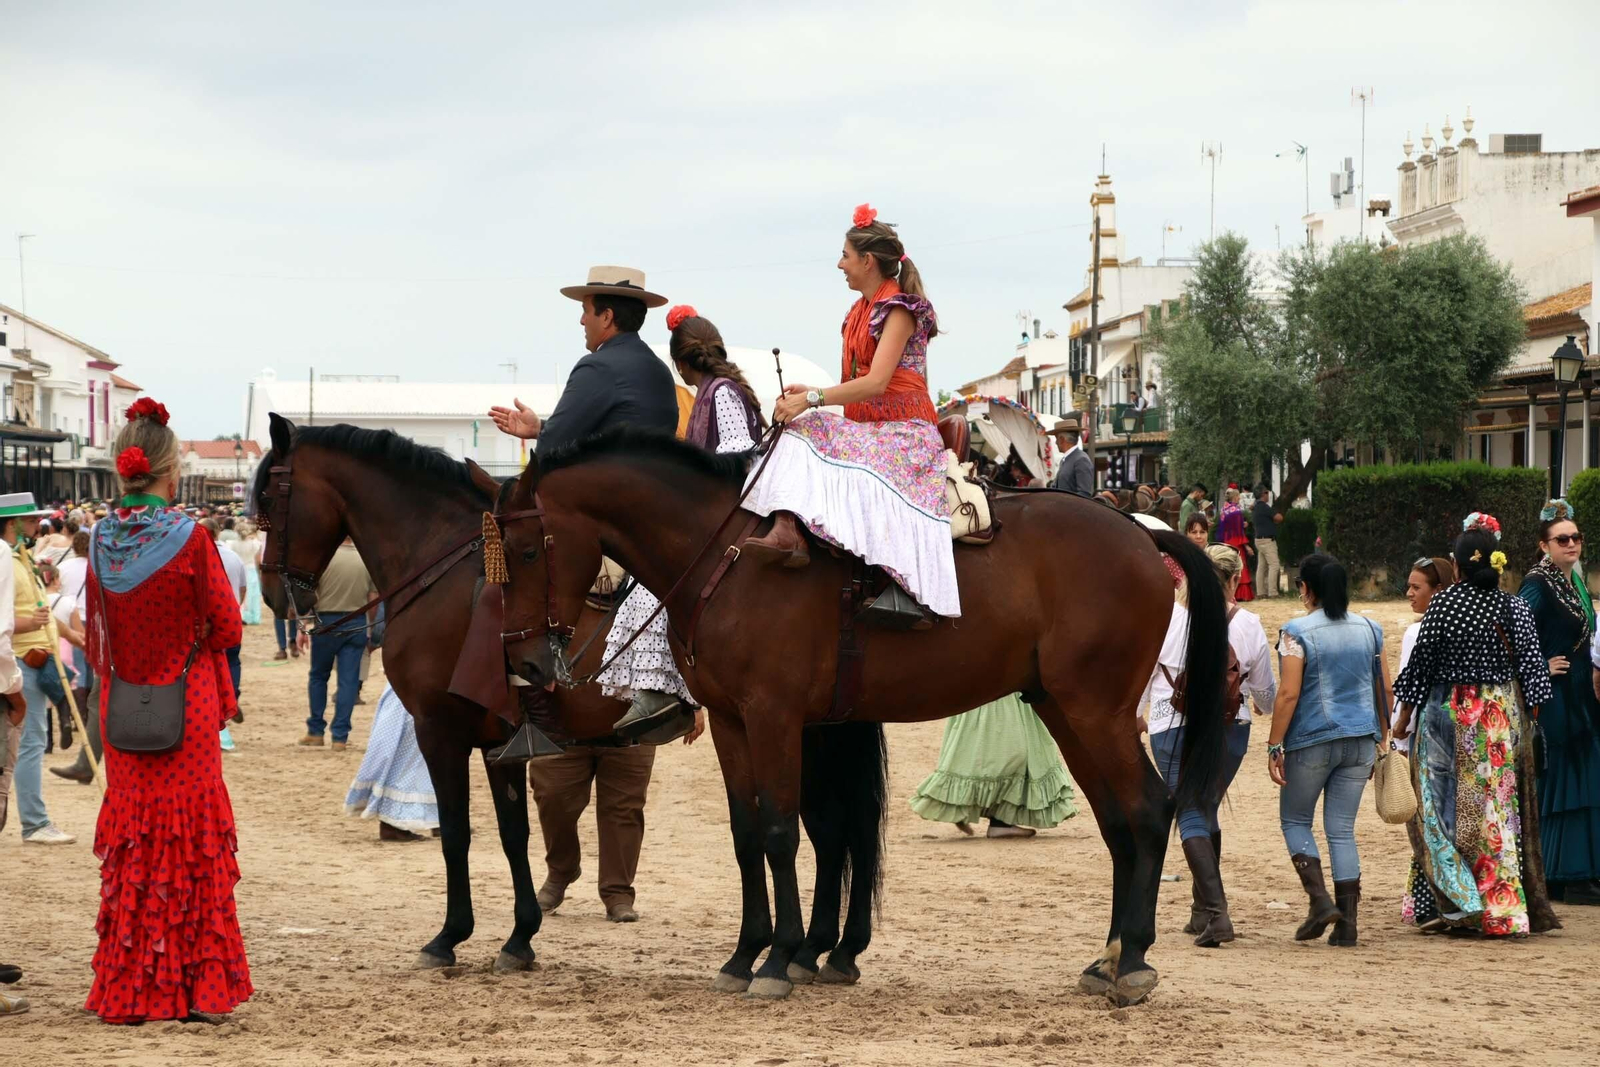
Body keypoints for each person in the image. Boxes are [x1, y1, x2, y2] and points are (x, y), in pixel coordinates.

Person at [85, 398, 252, 1022]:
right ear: (170, 470)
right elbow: (227, 625)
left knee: (137, 844)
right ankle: (198, 992)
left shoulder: (100, 539)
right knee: (193, 843)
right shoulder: (191, 537)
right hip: (187, 707)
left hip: (126, 707)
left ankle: (130, 989)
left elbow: (100, 632)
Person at [740, 205, 957, 627]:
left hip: (905, 434)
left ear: (867, 261)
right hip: (872, 429)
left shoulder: (898, 309)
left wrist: (813, 399)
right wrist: (811, 396)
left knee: (806, 422)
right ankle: (789, 528)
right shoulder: (859, 311)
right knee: (797, 426)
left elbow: (876, 383)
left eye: (845, 255)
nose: (840, 264)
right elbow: (854, 387)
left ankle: (797, 534)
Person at [1394, 516, 1556, 936]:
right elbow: (1534, 673)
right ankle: (1503, 909)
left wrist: (1402, 718)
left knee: (1442, 812)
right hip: (1497, 718)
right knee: (1493, 812)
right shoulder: (1513, 605)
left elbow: (1420, 666)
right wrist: (1532, 724)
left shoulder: (1445, 604)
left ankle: (1462, 902)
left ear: (1457, 564)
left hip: (1447, 714)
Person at [606, 306, 763, 738]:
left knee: (657, 583)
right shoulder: (712, 390)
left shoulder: (722, 392)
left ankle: (668, 694)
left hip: (727, 513)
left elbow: (736, 456)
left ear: (679, 361)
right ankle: (663, 691)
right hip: (715, 509)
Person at [1143, 543, 1275, 947]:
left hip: (1172, 724)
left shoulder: (1167, 617)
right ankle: (1201, 910)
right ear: (1235, 579)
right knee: (1206, 807)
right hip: (1230, 727)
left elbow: (1143, 670)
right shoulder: (1249, 623)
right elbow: (1266, 695)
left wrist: (1137, 709)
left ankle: (1217, 915)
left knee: (1190, 812)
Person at [1267, 552, 1389, 947]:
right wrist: (1381, 737)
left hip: (1313, 739)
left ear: (1306, 588)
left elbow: (1288, 693)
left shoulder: (1296, 631)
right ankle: (1348, 925)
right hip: (1361, 739)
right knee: (1341, 830)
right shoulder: (1371, 628)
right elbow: (1383, 688)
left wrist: (1273, 745)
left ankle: (1319, 900)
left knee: (1296, 821)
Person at [488, 264, 678, 456]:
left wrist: (546, 435)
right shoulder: (661, 370)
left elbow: (551, 446)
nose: (582, 320)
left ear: (606, 317)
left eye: (586, 310)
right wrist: (540, 428)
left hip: (609, 485)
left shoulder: (598, 367)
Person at [1520, 500, 1600, 906]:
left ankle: (1583, 869)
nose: (1572, 544)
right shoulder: (1537, 583)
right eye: (1562, 539)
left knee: (1586, 773)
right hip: (1555, 695)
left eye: (1576, 538)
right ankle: (1561, 873)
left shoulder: (1575, 581)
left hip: (1582, 692)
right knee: (1564, 776)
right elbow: (1516, 631)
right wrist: (1539, 666)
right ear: (1544, 545)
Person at [2, 491, 73, 844]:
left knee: (27, 741)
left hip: (33, 658)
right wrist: (29, 623)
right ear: (12, 522)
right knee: (31, 742)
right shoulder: (6, 560)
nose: (37, 524)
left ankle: (34, 820)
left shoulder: (24, 558)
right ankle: (34, 822)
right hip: (19, 660)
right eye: (30, 519)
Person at [909, 690, 1076, 839]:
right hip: (998, 690)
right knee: (1011, 753)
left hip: (987, 691)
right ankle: (998, 822)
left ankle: (980, 815)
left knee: (974, 749)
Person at [1393, 555, 1455, 925]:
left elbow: (1408, 685)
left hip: (1426, 735)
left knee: (1428, 818)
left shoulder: (1418, 633)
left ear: (1440, 591)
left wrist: (1400, 732)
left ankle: (1431, 899)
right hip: (1464, 732)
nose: (1409, 593)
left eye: (1417, 587)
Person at [297, 538, 375, 750]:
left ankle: (315, 730)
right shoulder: (365, 558)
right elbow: (373, 597)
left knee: (318, 676)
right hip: (357, 620)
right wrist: (369, 627)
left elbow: (309, 595)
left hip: (326, 621)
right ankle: (340, 736)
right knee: (348, 681)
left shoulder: (324, 558)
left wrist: (302, 624)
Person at [345, 683, 438, 842]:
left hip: (423, 689)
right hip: (412, 689)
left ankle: (439, 818)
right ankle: (393, 824)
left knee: (433, 752)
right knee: (409, 751)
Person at [200, 519, 246, 753]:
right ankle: (232, 699)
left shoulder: (198, 557)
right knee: (233, 661)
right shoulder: (232, 557)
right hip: (231, 619)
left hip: (207, 624)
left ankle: (220, 714)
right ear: (217, 533)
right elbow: (243, 588)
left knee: (211, 670)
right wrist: (236, 607)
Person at [1216, 487, 1255, 602]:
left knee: (1230, 565)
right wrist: (1247, 545)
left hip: (1226, 540)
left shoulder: (1224, 509)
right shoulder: (1236, 511)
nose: (1239, 498)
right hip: (1236, 541)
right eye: (1238, 496)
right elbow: (1239, 531)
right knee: (1240, 565)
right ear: (1234, 497)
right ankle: (1242, 594)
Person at [1049, 418, 1093, 497]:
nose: (1055, 442)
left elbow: (1084, 494)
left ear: (1062, 439)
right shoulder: (1065, 460)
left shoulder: (1081, 460)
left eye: (1056, 438)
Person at [1252, 486, 1281, 599]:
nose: (1268, 495)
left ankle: (1260, 592)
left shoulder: (1255, 507)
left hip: (1258, 539)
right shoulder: (1264, 507)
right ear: (1263, 494)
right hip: (1268, 540)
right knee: (1274, 565)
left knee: (1262, 566)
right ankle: (1273, 592)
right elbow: (1279, 518)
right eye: (1267, 493)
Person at [232, 520, 263, 626]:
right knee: (252, 594)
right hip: (251, 569)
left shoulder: (232, 543)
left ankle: (240, 615)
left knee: (238, 593)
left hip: (238, 569)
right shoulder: (254, 543)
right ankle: (254, 616)